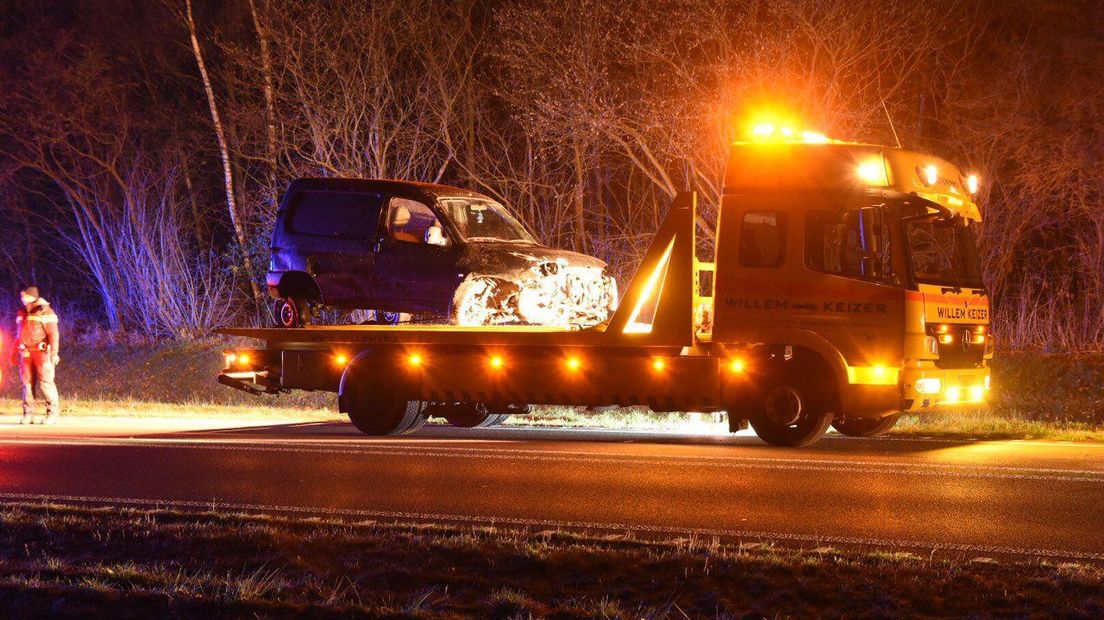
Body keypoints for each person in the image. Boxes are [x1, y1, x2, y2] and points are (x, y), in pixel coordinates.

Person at [12, 286, 60, 424]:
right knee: (27, 384)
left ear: (32, 296)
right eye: (22, 296)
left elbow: (53, 334)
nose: (22, 299)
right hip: (26, 353)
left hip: (42, 353)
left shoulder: (45, 311)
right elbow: (19, 335)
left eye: (25, 296)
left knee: (46, 383)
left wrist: (55, 353)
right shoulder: (22, 312)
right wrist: (14, 352)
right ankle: (28, 414)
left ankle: (52, 414)